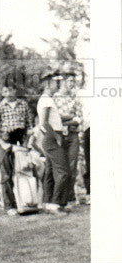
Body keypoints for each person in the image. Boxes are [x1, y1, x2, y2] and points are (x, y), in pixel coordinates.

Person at [0, 80, 35, 215]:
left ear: (15, 90)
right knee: (6, 174)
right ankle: (10, 206)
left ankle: (27, 202)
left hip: (21, 140)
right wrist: (3, 144)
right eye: (5, 91)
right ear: (2, 92)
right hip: (6, 141)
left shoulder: (23, 105)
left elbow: (29, 125)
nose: (8, 93)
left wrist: (28, 142)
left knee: (25, 171)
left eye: (11, 90)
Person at [36, 72, 70, 213]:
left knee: (50, 172)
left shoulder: (47, 100)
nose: (59, 85)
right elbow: (43, 123)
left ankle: (48, 202)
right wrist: (56, 136)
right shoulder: (46, 100)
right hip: (52, 138)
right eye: (56, 82)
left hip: (51, 137)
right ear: (48, 84)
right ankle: (56, 203)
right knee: (64, 171)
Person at [53, 72, 83, 204]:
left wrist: (67, 120)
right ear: (63, 82)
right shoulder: (56, 98)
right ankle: (59, 197)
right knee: (61, 166)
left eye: (73, 81)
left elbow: (79, 119)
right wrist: (71, 118)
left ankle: (69, 197)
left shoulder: (75, 98)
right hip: (60, 135)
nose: (71, 84)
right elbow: (55, 118)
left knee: (72, 165)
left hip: (73, 135)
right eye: (69, 81)